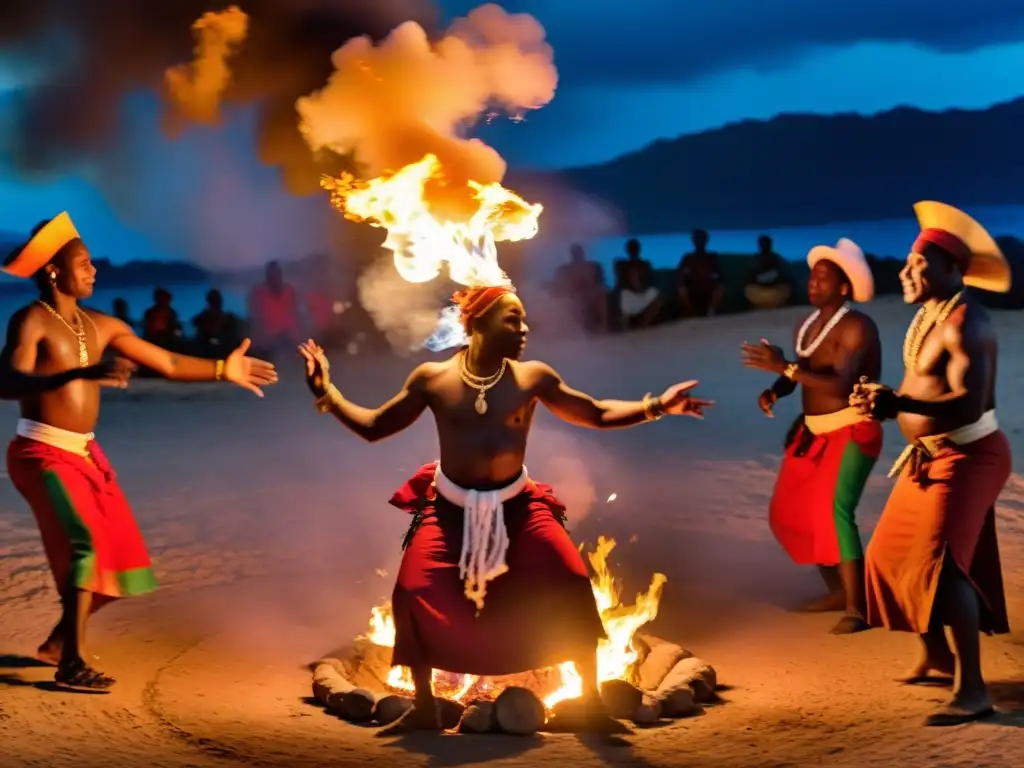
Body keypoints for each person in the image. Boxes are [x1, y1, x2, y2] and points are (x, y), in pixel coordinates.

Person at [299, 283, 712, 734]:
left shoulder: (532, 377)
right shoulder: (432, 379)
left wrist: (657, 406)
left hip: (519, 506)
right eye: (512, 319)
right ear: (476, 324)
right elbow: (376, 427)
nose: (524, 328)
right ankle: (423, 705)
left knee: (571, 580)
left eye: (524, 319)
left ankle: (591, 702)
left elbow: (593, 412)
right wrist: (328, 393)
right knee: (413, 591)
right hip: (448, 509)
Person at [0, 213, 278, 693]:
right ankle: (72, 661)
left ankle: (56, 643)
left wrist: (221, 369)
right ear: (52, 271)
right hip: (39, 451)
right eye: (83, 264)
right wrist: (74, 376)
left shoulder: (102, 325)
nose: (93, 271)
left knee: (123, 562)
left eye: (92, 264)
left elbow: (167, 361)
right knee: (85, 543)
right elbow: (6, 383)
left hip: (85, 455)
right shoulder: (30, 321)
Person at [850, 201, 1012, 726]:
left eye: (916, 265)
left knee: (943, 568)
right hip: (929, 456)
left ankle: (974, 690)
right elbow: (923, 388)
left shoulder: (969, 320)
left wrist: (900, 406)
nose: (904, 273)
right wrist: (883, 397)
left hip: (971, 455)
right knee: (887, 556)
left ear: (949, 269)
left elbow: (970, 402)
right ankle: (937, 655)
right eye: (906, 264)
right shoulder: (928, 316)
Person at [741, 238, 881, 634]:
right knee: (790, 512)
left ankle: (859, 607)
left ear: (843, 287)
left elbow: (840, 385)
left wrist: (784, 367)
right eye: (812, 277)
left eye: (823, 278)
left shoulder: (858, 326)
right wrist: (777, 389)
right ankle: (838, 590)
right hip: (813, 432)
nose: (812, 283)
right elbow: (804, 371)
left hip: (853, 428)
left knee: (837, 512)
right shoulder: (807, 325)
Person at [247, 260, 301, 359]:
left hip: (291, 340)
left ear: (280, 274)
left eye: (277, 273)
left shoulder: (290, 291)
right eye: (271, 274)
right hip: (268, 342)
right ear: (267, 275)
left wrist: (296, 337)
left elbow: (296, 314)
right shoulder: (258, 293)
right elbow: (255, 319)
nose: (274, 277)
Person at [553, 243, 608, 333]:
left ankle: (601, 326)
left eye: (578, 253)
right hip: (572, 295)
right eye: (575, 253)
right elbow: (560, 286)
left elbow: (599, 283)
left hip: (590, 294)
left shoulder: (591, 267)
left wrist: (593, 290)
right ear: (572, 255)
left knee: (599, 296)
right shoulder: (566, 269)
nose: (577, 255)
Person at [614, 239, 662, 330]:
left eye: (635, 248)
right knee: (623, 295)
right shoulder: (622, 265)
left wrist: (640, 287)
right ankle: (625, 327)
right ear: (627, 250)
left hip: (642, 293)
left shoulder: (645, 264)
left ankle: (643, 324)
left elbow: (649, 281)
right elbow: (620, 282)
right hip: (628, 293)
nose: (633, 250)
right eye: (631, 248)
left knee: (657, 296)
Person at [677, 229, 724, 317]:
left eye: (701, 239)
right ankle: (690, 315)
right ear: (693, 241)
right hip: (692, 286)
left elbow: (719, 274)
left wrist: (709, 278)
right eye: (697, 239)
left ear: (706, 240)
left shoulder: (712, 257)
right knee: (681, 290)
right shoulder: (687, 258)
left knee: (719, 288)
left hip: (708, 285)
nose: (699, 241)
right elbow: (680, 275)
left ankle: (711, 313)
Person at [744, 235, 792, 310]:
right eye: (763, 244)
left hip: (774, 287)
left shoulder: (775, 258)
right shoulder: (756, 258)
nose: (764, 245)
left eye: (766, 243)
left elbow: (780, 273)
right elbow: (751, 275)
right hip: (759, 286)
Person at [191, 289, 243, 357]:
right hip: (208, 352)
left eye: (217, 300)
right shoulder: (202, 318)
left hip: (223, 352)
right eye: (215, 301)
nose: (217, 303)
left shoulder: (229, 319)